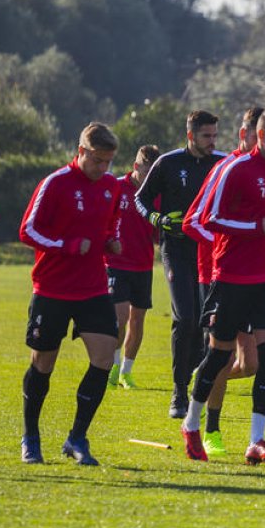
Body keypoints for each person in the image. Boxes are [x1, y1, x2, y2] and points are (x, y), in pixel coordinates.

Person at [180, 109, 265, 465]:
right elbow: (209, 219)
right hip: (231, 277)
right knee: (218, 356)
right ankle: (191, 424)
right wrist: (256, 227)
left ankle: (256, 440)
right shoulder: (234, 169)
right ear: (261, 137)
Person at [19, 122, 123, 466]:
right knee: (43, 363)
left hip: (93, 287)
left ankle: (77, 437)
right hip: (52, 288)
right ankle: (31, 437)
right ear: (80, 152)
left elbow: (111, 224)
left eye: (108, 161)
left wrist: (111, 241)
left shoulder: (111, 187)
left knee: (105, 358)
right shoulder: (55, 183)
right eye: (97, 160)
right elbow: (28, 230)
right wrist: (66, 245)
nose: (103, 168)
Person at [180, 107, 264, 456]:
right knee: (225, 358)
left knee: (251, 364)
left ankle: (199, 381)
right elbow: (192, 222)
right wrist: (228, 243)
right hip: (219, 276)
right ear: (245, 134)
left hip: (256, 278)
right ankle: (210, 428)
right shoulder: (224, 168)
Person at [134, 110, 224, 419]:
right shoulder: (168, 163)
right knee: (185, 317)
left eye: (215, 135)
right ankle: (179, 391)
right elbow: (140, 200)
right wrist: (156, 219)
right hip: (176, 250)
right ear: (190, 136)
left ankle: (196, 380)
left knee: (203, 323)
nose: (212, 142)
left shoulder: (221, 164)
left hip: (210, 251)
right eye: (206, 136)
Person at [105, 145, 160, 390]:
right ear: (136, 167)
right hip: (116, 264)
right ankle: (112, 367)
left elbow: (159, 233)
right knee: (119, 319)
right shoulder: (117, 187)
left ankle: (126, 372)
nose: (150, 178)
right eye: (146, 172)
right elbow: (103, 220)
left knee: (137, 321)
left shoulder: (157, 195)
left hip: (143, 266)